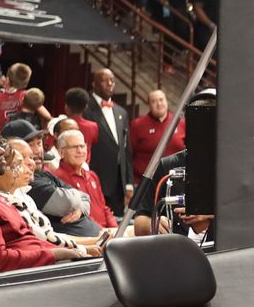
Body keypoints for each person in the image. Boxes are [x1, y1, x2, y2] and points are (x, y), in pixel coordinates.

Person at [0, 139, 86, 272]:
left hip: (44, 265)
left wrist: (70, 251)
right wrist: (56, 254)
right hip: (30, 277)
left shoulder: (4, 200)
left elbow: (32, 241)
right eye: (16, 166)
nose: (1, 150)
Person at [83, 70, 131, 216]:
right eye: (105, 80)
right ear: (94, 84)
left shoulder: (121, 111)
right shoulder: (86, 109)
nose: (110, 84)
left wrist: (128, 182)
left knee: (116, 225)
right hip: (96, 177)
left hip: (118, 181)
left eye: (112, 80)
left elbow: (125, 149)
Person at [52, 130, 117, 229]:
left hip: (105, 233)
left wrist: (115, 229)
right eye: (74, 147)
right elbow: (75, 216)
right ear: (61, 152)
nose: (80, 151)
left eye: (82, 146)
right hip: (88, 235)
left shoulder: (92, 176)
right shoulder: (57, 178)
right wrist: (103, 232)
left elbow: (104, 208)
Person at [128, 89, 185, 183]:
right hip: (145, 184)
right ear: (149, 105)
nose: (159, 104)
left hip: (175, 182)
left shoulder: (180, 123)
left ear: (166, 101)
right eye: (154, 101)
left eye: (161, 100)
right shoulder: (137, 125)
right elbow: (128, 156)